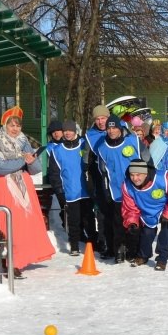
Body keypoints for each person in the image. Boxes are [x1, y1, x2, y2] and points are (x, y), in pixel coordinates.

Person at [0, 106, 55, 275]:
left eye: (18, 126)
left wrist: (30, 160)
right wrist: (23, 161)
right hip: (3, 189)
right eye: (12, 125)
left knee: (23, 227)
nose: (15, 129)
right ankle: (6, 259)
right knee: (7, 225)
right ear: (5, 125)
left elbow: (36, 168)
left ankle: (18, 260)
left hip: (23, 190)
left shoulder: (24, 141)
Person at [94, 115, 147, 263]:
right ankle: (119, 250)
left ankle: (134, 250)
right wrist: (105, 192)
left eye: (114, 127)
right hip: (116, 192)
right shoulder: (102, 148)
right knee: (118, 223)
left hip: (135, 190)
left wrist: (146, 182)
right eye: (109, 128)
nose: (111, 131)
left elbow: (148, 161)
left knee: (135, 222)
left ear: (120, 128)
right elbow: (102, 172)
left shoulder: (133, 141)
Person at [120, 157, 168, 271]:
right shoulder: (127, 185)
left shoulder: (162, 178)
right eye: (132, 175)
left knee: (165, 231)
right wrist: (132, 222)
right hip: (146, 211)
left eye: (138, 174)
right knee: (147, 234)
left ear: (145, 174)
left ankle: (162, 259)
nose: (135, 178)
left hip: (164, 208)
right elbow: (130, 207)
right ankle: (143, 256)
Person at [44, 121, 96, 256]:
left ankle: (94, 243)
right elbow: (55, 175)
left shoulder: (84, 144)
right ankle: (74, 246)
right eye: (65, 131)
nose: (67, 133)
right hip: (70, 191)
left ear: (75, 131)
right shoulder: (57, 150)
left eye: (70, 130)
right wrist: (60, 192)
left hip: (85, 190)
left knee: (89, 218)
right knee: (73, 220)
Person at [83, 104, 113, 257]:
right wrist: (88, 178)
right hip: (99, 178)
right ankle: (104, 242)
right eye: (98, 119)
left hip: (117, 178)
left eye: (104, 118)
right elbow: (85, 158)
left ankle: (123, 244)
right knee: (102, 212)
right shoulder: (90, 135)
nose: (101, 122)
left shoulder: (119, 130)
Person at [43, 120, 67, 227]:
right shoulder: (47, 148)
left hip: (69, 180)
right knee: (63, 204)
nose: (56, 134)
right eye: (53, 132)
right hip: (56, 182)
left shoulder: (69, 144)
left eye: (58, 131)